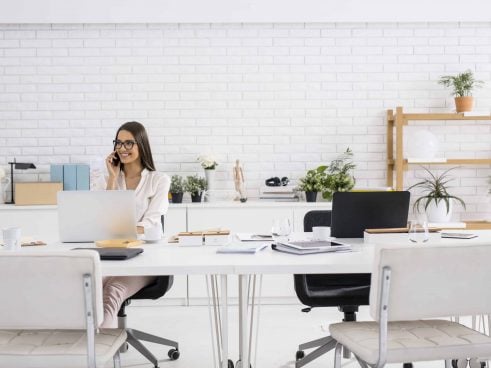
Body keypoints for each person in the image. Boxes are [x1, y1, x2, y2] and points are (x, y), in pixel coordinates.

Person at [102, 121, 170, 328]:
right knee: (88, 287)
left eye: (129, 143)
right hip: (111, 255)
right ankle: (86, 346)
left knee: (112, 291)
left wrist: (118, 229)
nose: (122, 149)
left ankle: (101, 353)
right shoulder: (107, 179)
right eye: (118, 143)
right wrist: (113, 179)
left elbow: (150, 223)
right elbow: (101, 218)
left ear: (141, 145)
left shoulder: (158, 180)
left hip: (144, 258)